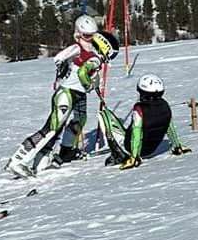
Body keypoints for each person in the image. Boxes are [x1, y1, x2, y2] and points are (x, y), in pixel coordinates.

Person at [7, 16, 119, 178]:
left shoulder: (90, 52)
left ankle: (64, 152)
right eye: (87, 36)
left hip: (78, 93)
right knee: (52, 128)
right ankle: (18, 160)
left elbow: (65, 61)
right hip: (67, 92)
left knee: (79, 121)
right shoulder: (83, 51)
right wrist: (84, 81)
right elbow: (74, 67)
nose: (90, 39)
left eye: (93, 36)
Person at [100, 74, 192, 167]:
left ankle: (117, 154)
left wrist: (134, 156)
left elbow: (136, 132)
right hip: (152, 149)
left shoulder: (139, 109)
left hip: (134, 149)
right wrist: (177, 146)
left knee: (105, 114)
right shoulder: (165, 105)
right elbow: (169, 127)